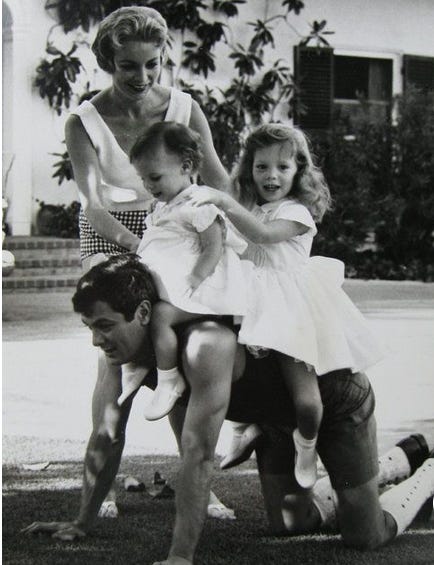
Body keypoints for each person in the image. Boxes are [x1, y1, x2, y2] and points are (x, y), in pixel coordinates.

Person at [22, 256, 434, 565]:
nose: (96, 339)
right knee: (291, 525)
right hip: (275, 419)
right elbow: (106, 435)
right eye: (89, 327)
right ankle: (399, 459)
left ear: (143, 313)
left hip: (335, 400)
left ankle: (428, 474)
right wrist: (81, 522)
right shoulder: (116, 352)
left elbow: (199, 454)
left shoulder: (205, 342)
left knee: (365, 536)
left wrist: (180, 557)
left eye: (105, 325)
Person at [65, 5, 230, 517]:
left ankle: (197, 482)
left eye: (152, 64)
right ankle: (97, 493)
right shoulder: (83, 120)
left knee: (180, 346)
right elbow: (93, 202)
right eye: (128, 66)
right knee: (119, 354)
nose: (142, 77)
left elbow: (219, 183)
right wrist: (148, 249)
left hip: (177, 227)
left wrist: (229, 233)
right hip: (112, 237)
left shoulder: (184, 107)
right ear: (106, 62)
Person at [188, 123, 383, 487]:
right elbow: (236, 238)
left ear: (299, 171)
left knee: (307, 402)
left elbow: (261, 236)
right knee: (227, 366)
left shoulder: (296, 213)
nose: (271, 175)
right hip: (249, 299)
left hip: (289, 307)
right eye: (261, 167)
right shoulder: (253, 207)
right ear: (250, 170)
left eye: (282, 167)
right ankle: (244, 426)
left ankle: (306, 443)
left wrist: (225, 202)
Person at [129, 121, 248, 420]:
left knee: (160, 316)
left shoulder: (199, 203)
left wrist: (196, 277)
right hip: (175, 282)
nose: (149, 186)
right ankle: (139, 362)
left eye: (155, 177)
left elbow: (214, 246)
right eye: (144, 179)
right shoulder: (164, 206)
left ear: (185, 166)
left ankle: (169, 379)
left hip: (203, 290)